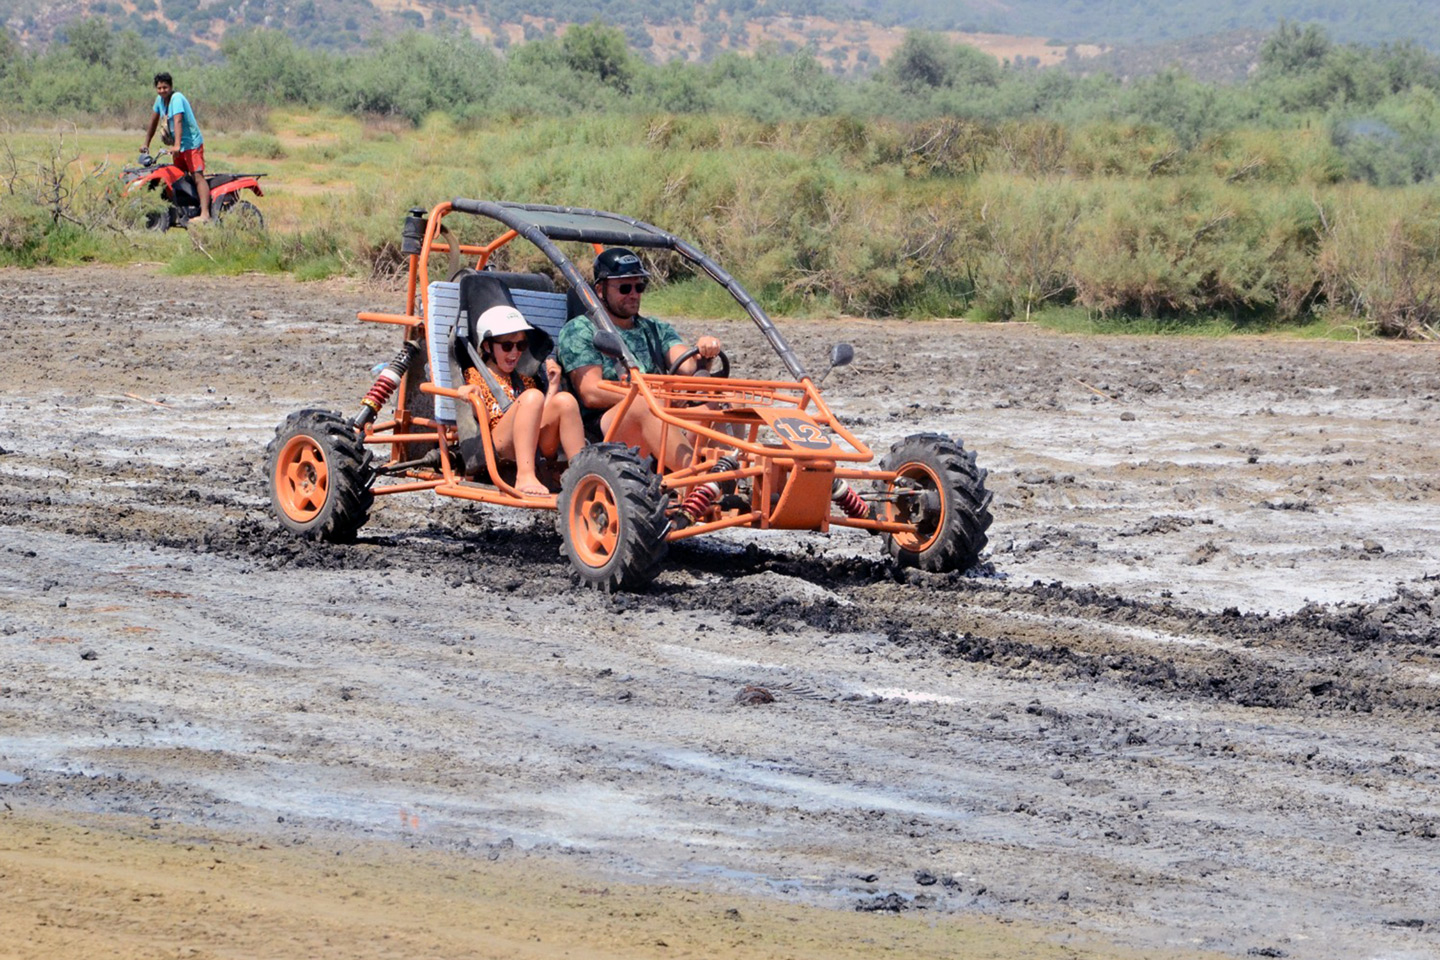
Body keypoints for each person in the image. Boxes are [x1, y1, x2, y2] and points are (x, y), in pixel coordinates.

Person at [556, 248, 724, 466]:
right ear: (600, 290)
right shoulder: (580, 330)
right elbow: (590, 392)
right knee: (642, 405)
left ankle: (742, 478)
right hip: (607, 426)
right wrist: (651, 396)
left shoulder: (654, 328)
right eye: (625, 287)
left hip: (660, 410)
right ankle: (695, 480)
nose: (634, 294)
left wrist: (705, 351)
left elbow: (687, 367)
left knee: (718, 399)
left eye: (639, 286)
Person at [463, 304, 584, 498]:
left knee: (565, 401)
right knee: (533, 397)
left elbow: (540, 418)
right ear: (487, 346)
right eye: (507, 346)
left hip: (532, 444)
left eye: (521, 345)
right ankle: (525, 476)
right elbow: (481, 421)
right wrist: (467, 392)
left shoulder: (525, 381)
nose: (515, 353)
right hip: (497, 444)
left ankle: (583, 477)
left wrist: (553, 387)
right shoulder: (476, 376)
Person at [141, 72, 211, 223]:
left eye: (165, 87)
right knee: (179, 178)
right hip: (178, 146)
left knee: (197, 176)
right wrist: (146, 143)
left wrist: (177, 145)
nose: (162, 90)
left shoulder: (177, 98)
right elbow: (153, 122)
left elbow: (178, 121)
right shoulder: (160, 101)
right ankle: (184, 211)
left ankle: (205, 214)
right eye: (159, 88)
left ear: (171, 87)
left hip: (191, 143)